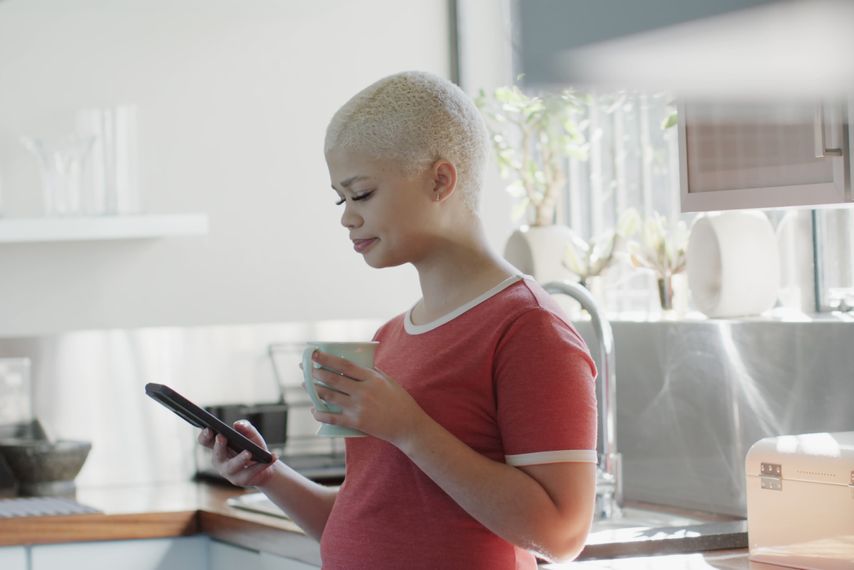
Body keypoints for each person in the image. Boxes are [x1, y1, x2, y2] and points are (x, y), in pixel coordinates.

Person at [197, 71, 599, 569]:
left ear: (440, 180)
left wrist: (409, 428)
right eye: (340, 199)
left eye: (361, 194)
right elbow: (364, 520)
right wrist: (267, 475)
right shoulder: (390, 337)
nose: (346, 217)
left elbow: (562, 533)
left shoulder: (529, 328)